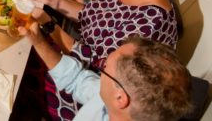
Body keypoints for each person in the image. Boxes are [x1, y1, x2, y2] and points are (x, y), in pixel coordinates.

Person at [30, 0, 179, 120]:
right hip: (78, 54)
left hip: (93, 95)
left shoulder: (151, 21)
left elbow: (96, 70)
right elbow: (90, 16)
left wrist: (50, 27)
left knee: (26, 66)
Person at [21, 29, 193, 121]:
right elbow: (77, 79)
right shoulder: (112, 99)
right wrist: (37, 41)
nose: (101, 65)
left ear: (121, 98)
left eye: (104, 68)